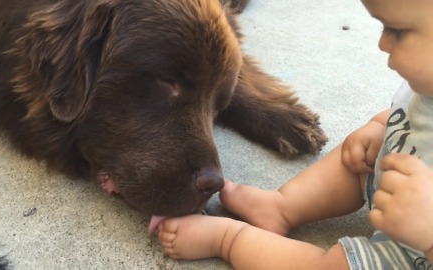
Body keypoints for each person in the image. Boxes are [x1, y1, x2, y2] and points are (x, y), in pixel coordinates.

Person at [156, 0, 433, 268]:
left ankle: (228, 240)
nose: (382, 44)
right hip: (395, 181)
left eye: (397, 31)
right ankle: (282, 206)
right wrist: (381, 126)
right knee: (353, 162)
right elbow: (407, 111)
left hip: (411, 253)